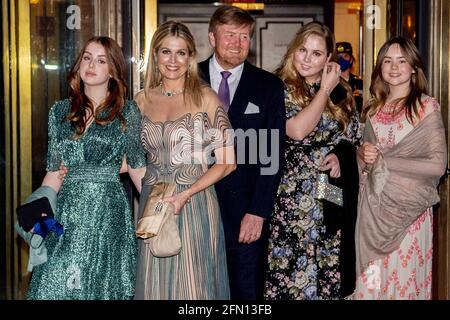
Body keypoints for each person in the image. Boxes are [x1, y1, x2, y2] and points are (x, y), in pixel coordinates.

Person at [26, 36, 147, 299]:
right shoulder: (60, 111)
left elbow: (138, 168)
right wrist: (37, 217)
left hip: (108, 217)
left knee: (103, 286)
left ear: (113, 70)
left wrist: (159, 211)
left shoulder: (128, 112)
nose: (91, 65)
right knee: (52, 284)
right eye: (87, 57)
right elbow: (54, 173)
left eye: (101, 60)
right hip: (67, 214)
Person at [133, 20, 236, 300]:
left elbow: (228, 162)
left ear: (190, 56)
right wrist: (147, 193)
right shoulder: (140, 101)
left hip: (194, 202)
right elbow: (130, 159)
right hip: (153, 207)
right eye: (166, 52)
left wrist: (185, 194)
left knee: (194, 288)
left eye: (181, 53)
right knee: (154, 287)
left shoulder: (205, 98)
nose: (173, 60)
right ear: (155, 55)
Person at [264, 22, 361, 300]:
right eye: (303, 50)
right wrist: (323, 91)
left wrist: (340, 155)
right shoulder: (276, 87)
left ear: (328, 58)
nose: (307, 58)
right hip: (290, 190)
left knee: (327, 254)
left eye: (317, 54)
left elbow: (351, 134)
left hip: (326, 188)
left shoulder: (341, 91)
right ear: (293, 50)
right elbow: (296, 130)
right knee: (292, 265)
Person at [198, 5, 286, 300]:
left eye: (245, 36)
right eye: (230, 35)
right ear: (212, 37)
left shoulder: (269, 86)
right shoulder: (187, 79)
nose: (237, 43)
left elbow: (272, 155)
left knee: (246, 295)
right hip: (195, 210)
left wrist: (258, 212)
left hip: (245, 216)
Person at [352, 37, 447, 300]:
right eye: (387, 61)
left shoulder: (425, 106)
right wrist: (361, 155)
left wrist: (383, 159)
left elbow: (438, 165)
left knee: (403, 286)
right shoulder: (372, 108)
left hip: (409, 216)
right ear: (379, 67)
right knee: (371, 285)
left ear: (414, 67)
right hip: (372, 214)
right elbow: (365, 166)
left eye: (402, 61)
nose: (394, 67)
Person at [336, 42, 363, 113]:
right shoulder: (330, 83)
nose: (341, 60)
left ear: (351, 60)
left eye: (345, 56)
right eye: (338, 57)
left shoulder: (360, 83)